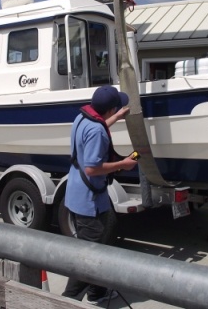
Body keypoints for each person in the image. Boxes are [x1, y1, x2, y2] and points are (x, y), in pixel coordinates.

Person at [62, 85, 138, 305]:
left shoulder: (83, 118)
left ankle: (97, 292)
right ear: (110, 108)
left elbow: (99, 126)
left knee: (102, 241)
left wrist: (117, 116)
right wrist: (123, 164)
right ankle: (68, 299)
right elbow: (92, 168)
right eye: (117, 107)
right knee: (89, 255)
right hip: (89, 200)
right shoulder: (97, 131)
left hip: (77, 193)